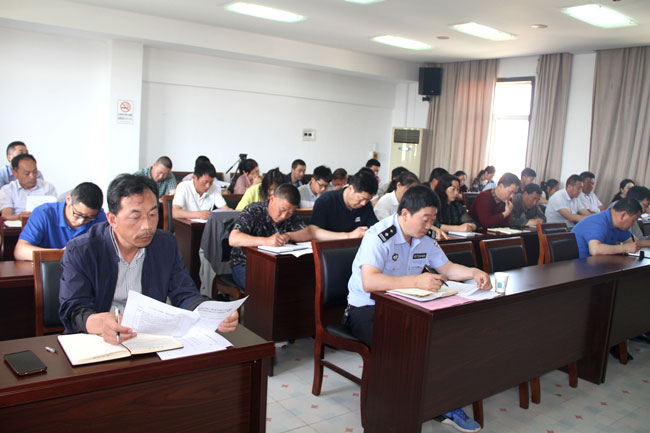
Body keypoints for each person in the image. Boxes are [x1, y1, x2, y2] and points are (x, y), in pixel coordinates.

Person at [345, 185, 490, 433]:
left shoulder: (426, 238)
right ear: (405, 214)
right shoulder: (378, 236)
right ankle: (395, 409)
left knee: (443, 339)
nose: (430, 224)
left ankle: (443, 404)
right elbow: (370, 282)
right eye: (426, 219)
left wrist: (473, 272)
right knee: (407, 347)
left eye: (433, 219)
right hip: (367, 309)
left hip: (407, 307)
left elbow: (447, 268)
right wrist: (416, 281)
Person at [58, 174, 238, 341]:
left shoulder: (165, 244)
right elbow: (73, 309)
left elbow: (184, 293)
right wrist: (99, 323)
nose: (147, 226)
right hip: (97, 341)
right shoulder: (82, 250)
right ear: (112, 219)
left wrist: (211, 312)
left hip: (148, 339)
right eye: (135, 217)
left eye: (152, 214)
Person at [229, 184, 312, 289]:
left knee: (301, 283)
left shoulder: (291, 215)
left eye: (290, 213)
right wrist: (266, 241)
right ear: (272, 199)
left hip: (277, 265)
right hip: (246, 264)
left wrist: (288, 235)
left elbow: (307, 233)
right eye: (282, 209)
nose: (284, 216)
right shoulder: (254, 210)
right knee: (265, 288)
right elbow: (233, 238)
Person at [14, 182, 106, 261]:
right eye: (77, 214)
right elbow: (20, 251)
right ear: (68, 199)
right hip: (50, 270)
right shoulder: (44, 213)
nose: (81, 221)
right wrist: (61, 254)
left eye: (89, 218)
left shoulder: (100, 217)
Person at [310, 168, 378, 238]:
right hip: (329, 244)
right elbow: (314, 231)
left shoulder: (366, 205)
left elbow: (375, 228)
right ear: (351, 188)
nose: (364, 203)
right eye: (362, 198)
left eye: (368, 199)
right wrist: (349, 235)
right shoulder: (326, 200)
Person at [572, 198, 641, 258]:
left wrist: (631, 245)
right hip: (579, 265)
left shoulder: (617, 225)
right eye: (633, 220)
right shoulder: (598, 222)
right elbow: (595, 250)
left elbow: (633, 241)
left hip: (599, 263)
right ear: (623, 215)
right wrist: (624, 248)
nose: (633, 224)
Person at [0, 154, 57, 221]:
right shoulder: (7, 190)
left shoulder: (48, 187)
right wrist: (19, 217)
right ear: (14, 173)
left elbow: (55, 212)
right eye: (26, 173)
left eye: (35, 172)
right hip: (19, 226)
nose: (32, 176)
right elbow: (6, 216)